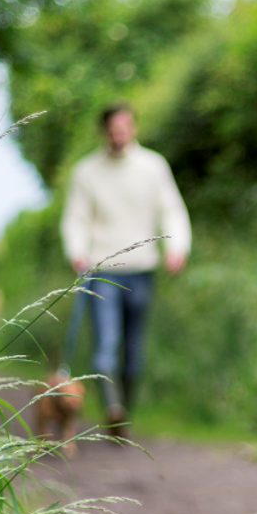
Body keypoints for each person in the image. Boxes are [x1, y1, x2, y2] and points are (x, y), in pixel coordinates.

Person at [60, 103, 191, 428]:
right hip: (102, 271)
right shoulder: (86, 172)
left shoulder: (152, 166)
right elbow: (75, 220)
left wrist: (176, 248)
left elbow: (171, 210)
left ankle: (124, 414)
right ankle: (113, 408)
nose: (119, 136)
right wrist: (77, 251)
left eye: (124, 128)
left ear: (132, 128)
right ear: (104, 131)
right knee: (106, 347)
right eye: (113, 130)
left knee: (134, 354)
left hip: (143, 270)